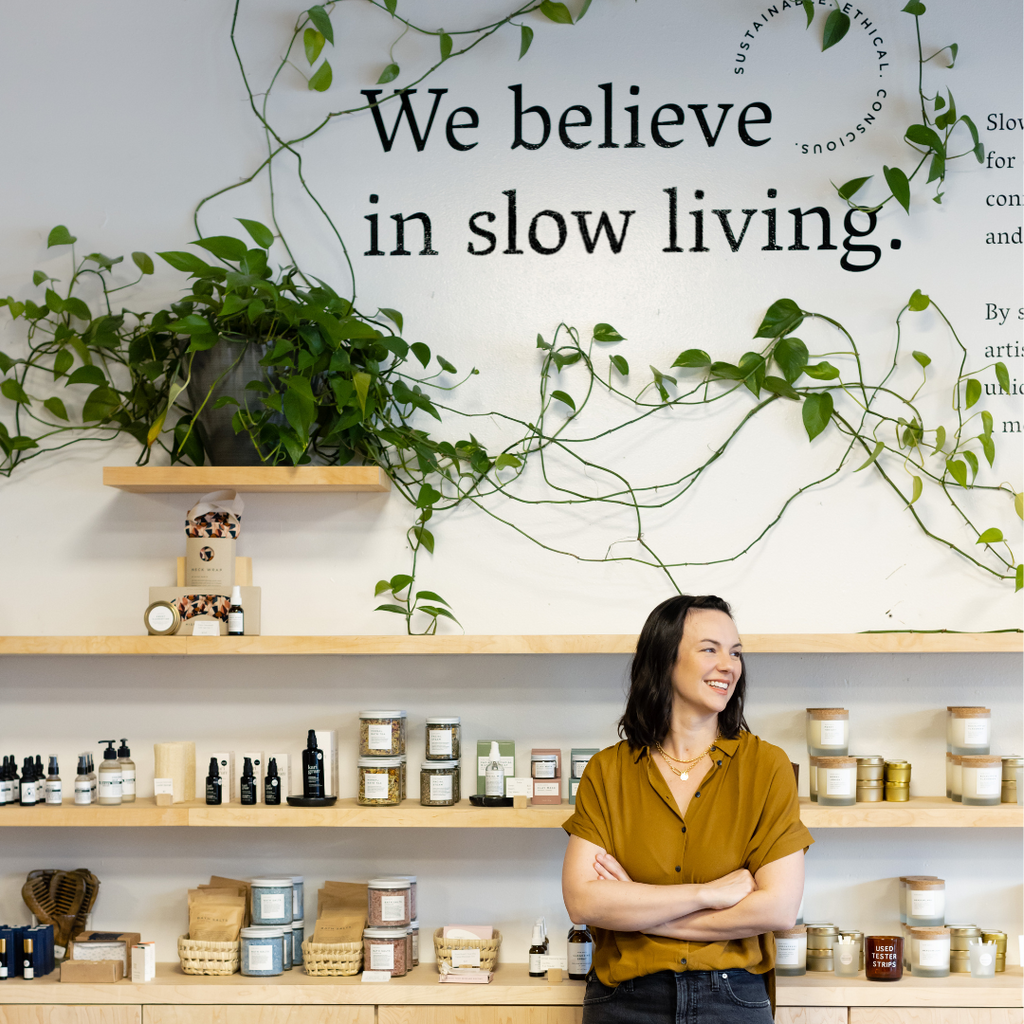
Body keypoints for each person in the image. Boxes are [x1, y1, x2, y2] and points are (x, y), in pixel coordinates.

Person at [561, 594, 813, 1023]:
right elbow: (583, 901)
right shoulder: (608, 770)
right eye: (710, 649)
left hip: (732, 998)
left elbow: (777, 909)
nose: (729, 665)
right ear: (664, 659)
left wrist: (643, 912)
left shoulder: (766, 766)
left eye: (735, 653)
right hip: (625, 1000)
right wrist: (706, 895)